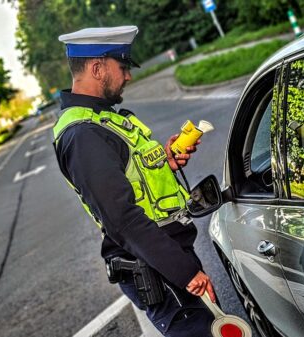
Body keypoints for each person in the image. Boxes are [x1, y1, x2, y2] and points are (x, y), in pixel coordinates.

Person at [52, 26, 215, 337]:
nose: (128, 76)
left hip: (163, 258)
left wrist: (163, 161)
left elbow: (128, 177)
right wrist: (185, 273)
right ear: (97, 69)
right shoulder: (83, 134)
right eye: (123, 67)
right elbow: (122, 219)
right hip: (157, 268)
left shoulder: (102, 120)